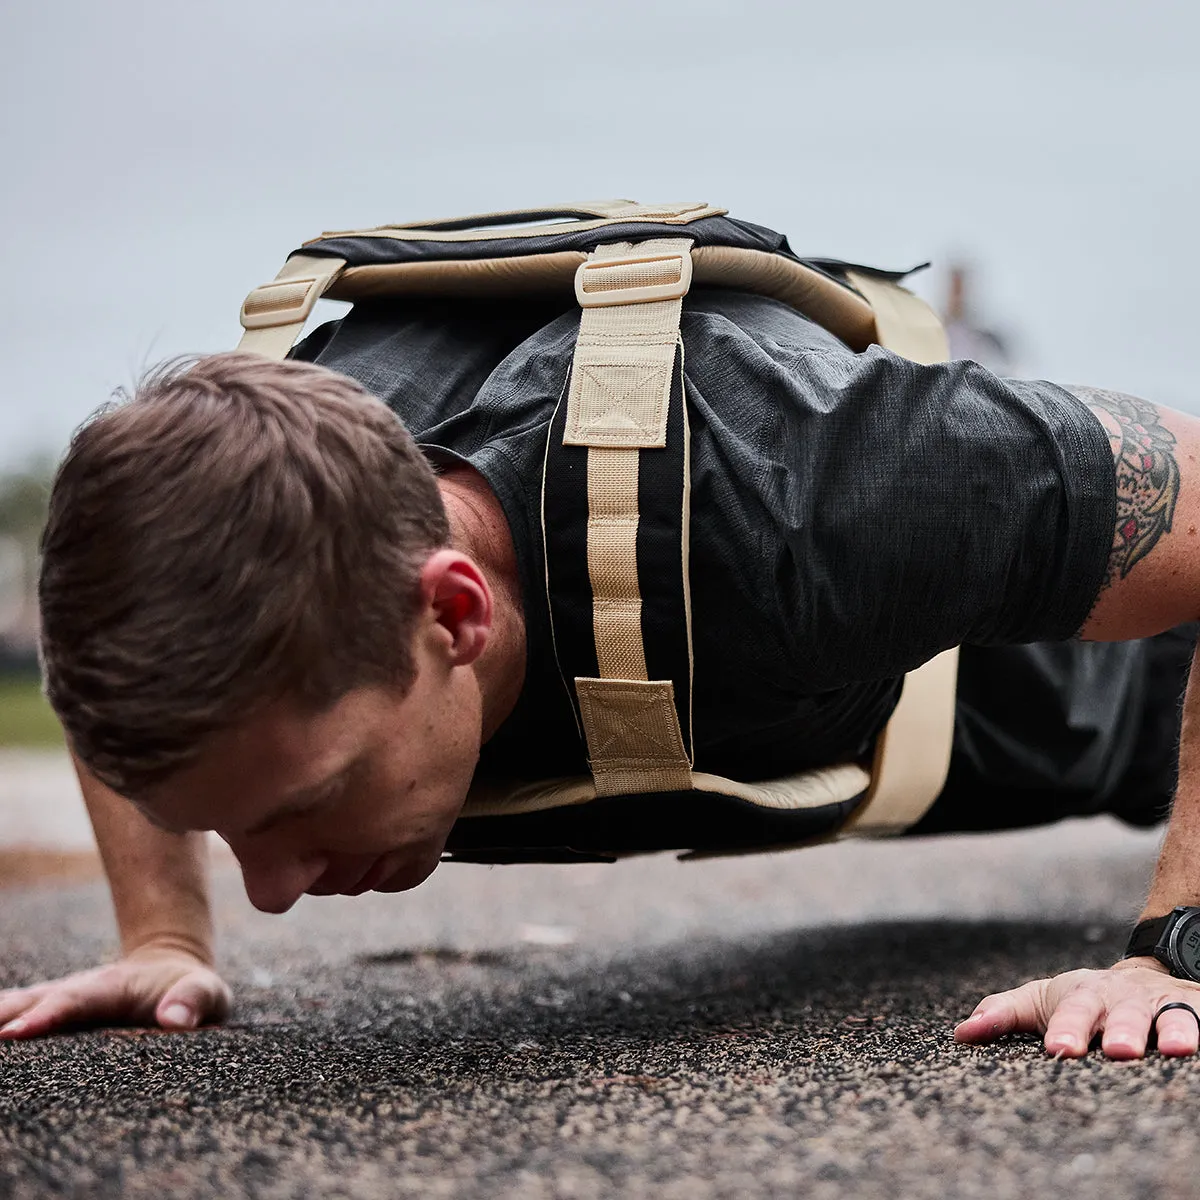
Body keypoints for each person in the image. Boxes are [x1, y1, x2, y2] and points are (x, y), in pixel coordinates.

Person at [3, 287, 1200, 1060]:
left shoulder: (795, 489)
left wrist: (1172, 947)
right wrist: (163, 934)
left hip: (1058, 691)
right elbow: (110, 655)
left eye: (303, 804)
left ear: (454, 615)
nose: (269, 892)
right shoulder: (202, 563)